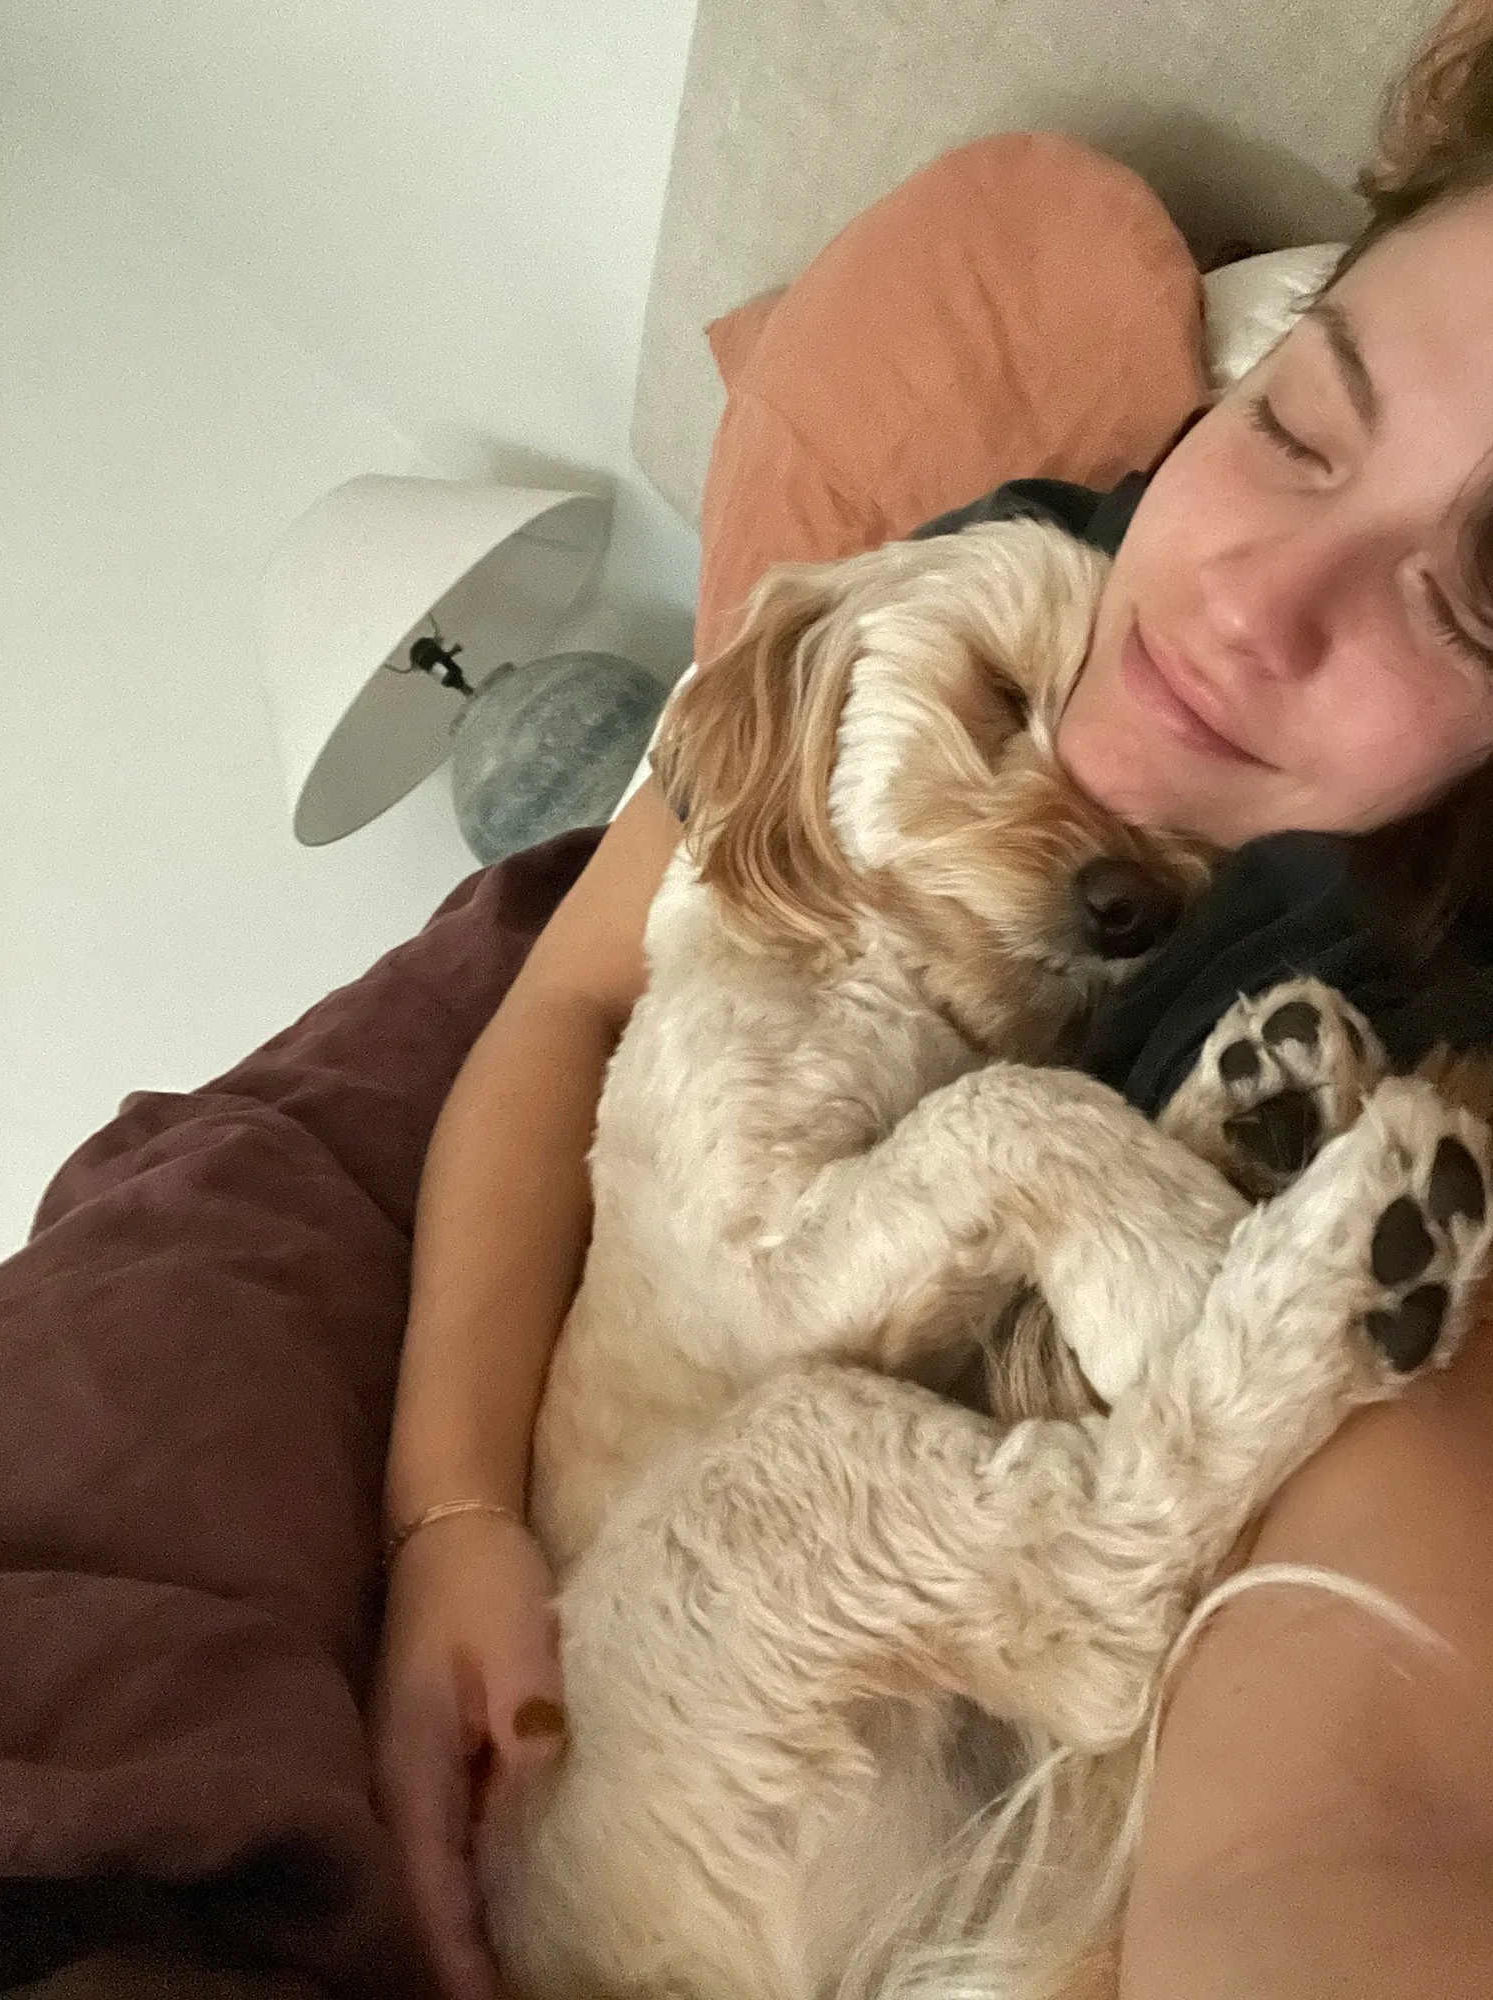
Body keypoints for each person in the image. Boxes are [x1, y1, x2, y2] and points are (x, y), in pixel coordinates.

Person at [374, 8, 1493, 1996]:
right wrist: (448, 1517)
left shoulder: (1398, 964)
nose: (1245, 602)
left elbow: (1339, 1810)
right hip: (680, 1699)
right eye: (1299, 422)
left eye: (1475, 594)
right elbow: (568, 1005)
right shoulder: (987, 575)